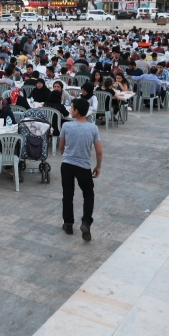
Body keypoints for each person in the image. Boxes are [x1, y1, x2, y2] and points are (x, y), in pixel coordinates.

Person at [59, 98, 102, 242]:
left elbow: (61, 146)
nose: (70, 110)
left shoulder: (66, 126)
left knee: (68, 194)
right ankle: (86, 222)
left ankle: (68, 223)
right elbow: (99, 151)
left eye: (72, 108)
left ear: (76, 112)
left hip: (67, 164)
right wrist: (98, 166)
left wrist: (64, 156)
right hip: (84, 166)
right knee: (88, 194)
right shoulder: (93, 128)